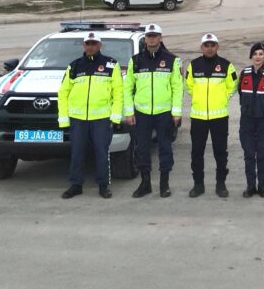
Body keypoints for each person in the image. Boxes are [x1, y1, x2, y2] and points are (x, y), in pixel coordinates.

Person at [57, 31, 124, 199]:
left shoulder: (111, 65)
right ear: (83, 45)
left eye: (94, 43)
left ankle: (103, 186)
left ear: (100, 45)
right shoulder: (74, 66)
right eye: (88, 43)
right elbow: (63, 93)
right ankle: (76, 185)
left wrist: (115, 118)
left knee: (101, 152)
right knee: (77, 152)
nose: (90, 46)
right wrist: (64, 119)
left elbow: (118, 93)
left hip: (101, 118)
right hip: (78, 119)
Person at [125, 23, 183, 198]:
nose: (151, 39)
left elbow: (177, 87)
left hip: (164, 113)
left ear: (160, 38)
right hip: (141, 114)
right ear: (146, 38)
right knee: (142, 148)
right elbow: (127, 88)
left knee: (165, 148)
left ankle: (164, 184)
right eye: (149, 36)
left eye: (154, 35)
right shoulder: (135, 61)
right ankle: (145, 184)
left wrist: (176, 112)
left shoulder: (171, 60)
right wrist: (129, 112)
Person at [185, 32, 238, 198]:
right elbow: (189, 87)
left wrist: (222, 98)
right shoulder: (193, 65)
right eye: (206, 45)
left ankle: (221, 184)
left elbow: (233, 86)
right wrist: (199, 100)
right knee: (197, 152)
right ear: (201, 47)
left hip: (219, 117)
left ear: (217, 47)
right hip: (198, 117)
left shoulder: (226, 66)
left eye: (212, 45)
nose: (209, 48)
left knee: (220, 152)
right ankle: (198, 185)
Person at [237, 42, 264, 198]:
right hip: (247, 120)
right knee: (249, 153)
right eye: (255, 54)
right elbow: (240, 93)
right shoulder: (245, 73)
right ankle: (250, 186)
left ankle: (262, 186)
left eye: (261, 54)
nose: (258, 57)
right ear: (251, 56)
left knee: (262, 153)